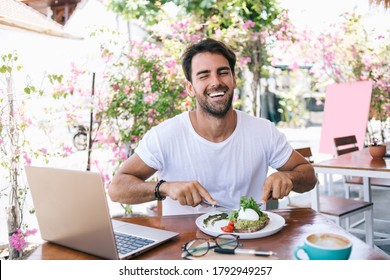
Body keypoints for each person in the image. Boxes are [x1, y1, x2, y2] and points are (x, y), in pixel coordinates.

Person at [108, 38, 317, 215]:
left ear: (234, 80)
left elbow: (308, 176)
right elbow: (117, 188)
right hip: (187, 248)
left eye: (223, 72)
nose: (215, 82)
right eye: (204, 75)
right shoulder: (165, 136)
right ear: (190, 87)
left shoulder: (263, 131)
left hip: (249, 242)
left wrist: (288, 177)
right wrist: (165, 188)